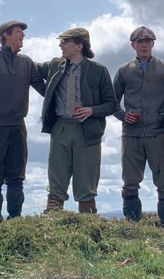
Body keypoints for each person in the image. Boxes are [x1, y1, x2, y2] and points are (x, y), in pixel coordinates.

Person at [38, 27, 117, 214]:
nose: (60, 45)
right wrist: (47, 94)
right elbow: (29, 69)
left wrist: (92, 110)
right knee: (56, 181)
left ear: (79, 45)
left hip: (87, 132)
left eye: (65, 42)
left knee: (86, 184)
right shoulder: (54, 66)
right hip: (60, 129)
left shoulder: (99, 70)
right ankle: (50, 231)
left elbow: (112, 104)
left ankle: (88, 232)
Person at [113, 26, 164, 228]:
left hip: (158, 133)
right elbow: (111, 102)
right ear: (133, 45)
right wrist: (123, 116)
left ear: (153, 44)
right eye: (140, 42)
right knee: (130, 181)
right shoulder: (124, 71)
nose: (144, 45)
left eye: (148, 41)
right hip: (131, 134)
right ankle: (133, 225)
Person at [0, 20, 45, 221]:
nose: (23, 36)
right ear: (6, 35)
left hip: (18, 126)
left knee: (17, 177)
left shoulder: (26, 63)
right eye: (19, 32)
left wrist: (65, 107)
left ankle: (15, 220)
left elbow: (44, 89)